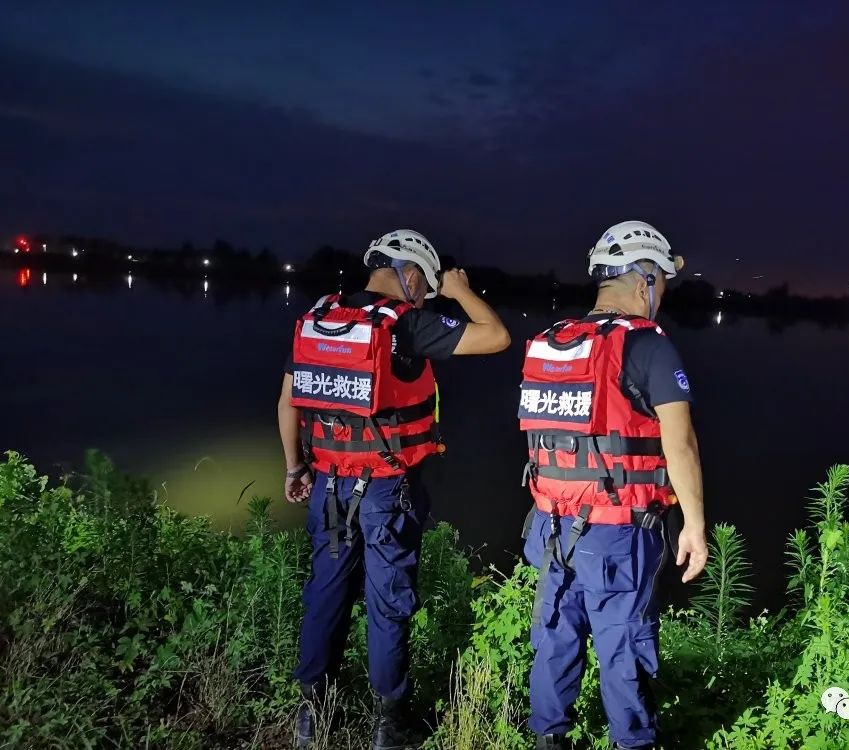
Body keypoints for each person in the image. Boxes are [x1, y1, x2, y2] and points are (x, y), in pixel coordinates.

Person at [277, 229, 510, 748]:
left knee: (325, 591)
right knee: (388, 600)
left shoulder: (320, 319)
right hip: (385, 490)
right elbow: (495, 335)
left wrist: (296, 467)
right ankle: (389, 721)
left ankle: (312, 713)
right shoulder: (405, 324)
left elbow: (287, 402)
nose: (425, 297)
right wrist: (460, 291)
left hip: (328, 485)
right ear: (408, 274)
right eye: (423, 286)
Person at [518, 220, 708, 750]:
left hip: (552, 529)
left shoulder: (552, 344)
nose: (662, 296)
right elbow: (681, 444)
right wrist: (694, 526)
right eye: (662, 283)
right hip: (618, 538)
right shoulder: (648, 346)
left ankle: (547, 740)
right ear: (644, 279)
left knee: (555, 641)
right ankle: (634, 743)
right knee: (625, 649)